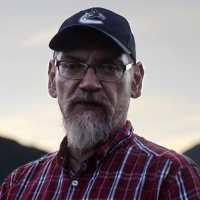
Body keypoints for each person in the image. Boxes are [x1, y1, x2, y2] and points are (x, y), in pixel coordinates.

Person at [0, 7, 200, 200]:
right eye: (72, 66)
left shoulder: (171, 177)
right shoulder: (18, 186)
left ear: (136, 81)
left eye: (108, 68)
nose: (88, 83)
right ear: (52, 79)